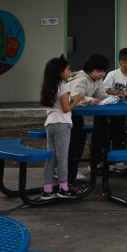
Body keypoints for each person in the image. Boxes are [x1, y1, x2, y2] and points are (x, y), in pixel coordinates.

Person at [39, 56, 85, 199]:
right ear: (60, 72)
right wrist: (77, 99)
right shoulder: (63, 86)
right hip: (62, 124)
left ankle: (47, 189)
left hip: (51, 123)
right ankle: (64, 187)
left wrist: (74, 103)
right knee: (63, 157)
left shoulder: (48, 87)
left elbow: (59, 105)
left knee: (51, 157)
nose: (69, 72)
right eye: (68, 69)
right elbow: (65, 108)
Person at [66, 54, 107, 182]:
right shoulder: (81, 79)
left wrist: (111, 98)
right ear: (89, 70)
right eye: (98, 71)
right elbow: (74, 95)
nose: (101, 74)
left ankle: (72, 168)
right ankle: (68, 170)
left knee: (81, 137)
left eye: (104, 72)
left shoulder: (97, 80)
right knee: (74, 141)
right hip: (68, 115)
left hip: (77, 115)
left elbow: (100, 93)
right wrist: (89, 99)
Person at [101, 47, 127, 174]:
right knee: (106, 135)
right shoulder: (113, 74)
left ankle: (117, 162)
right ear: (122, 62)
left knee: (120, 135)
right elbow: (104, 89)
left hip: (123, 111)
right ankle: (101, 161)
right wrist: (118, 93)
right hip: (109, 111)